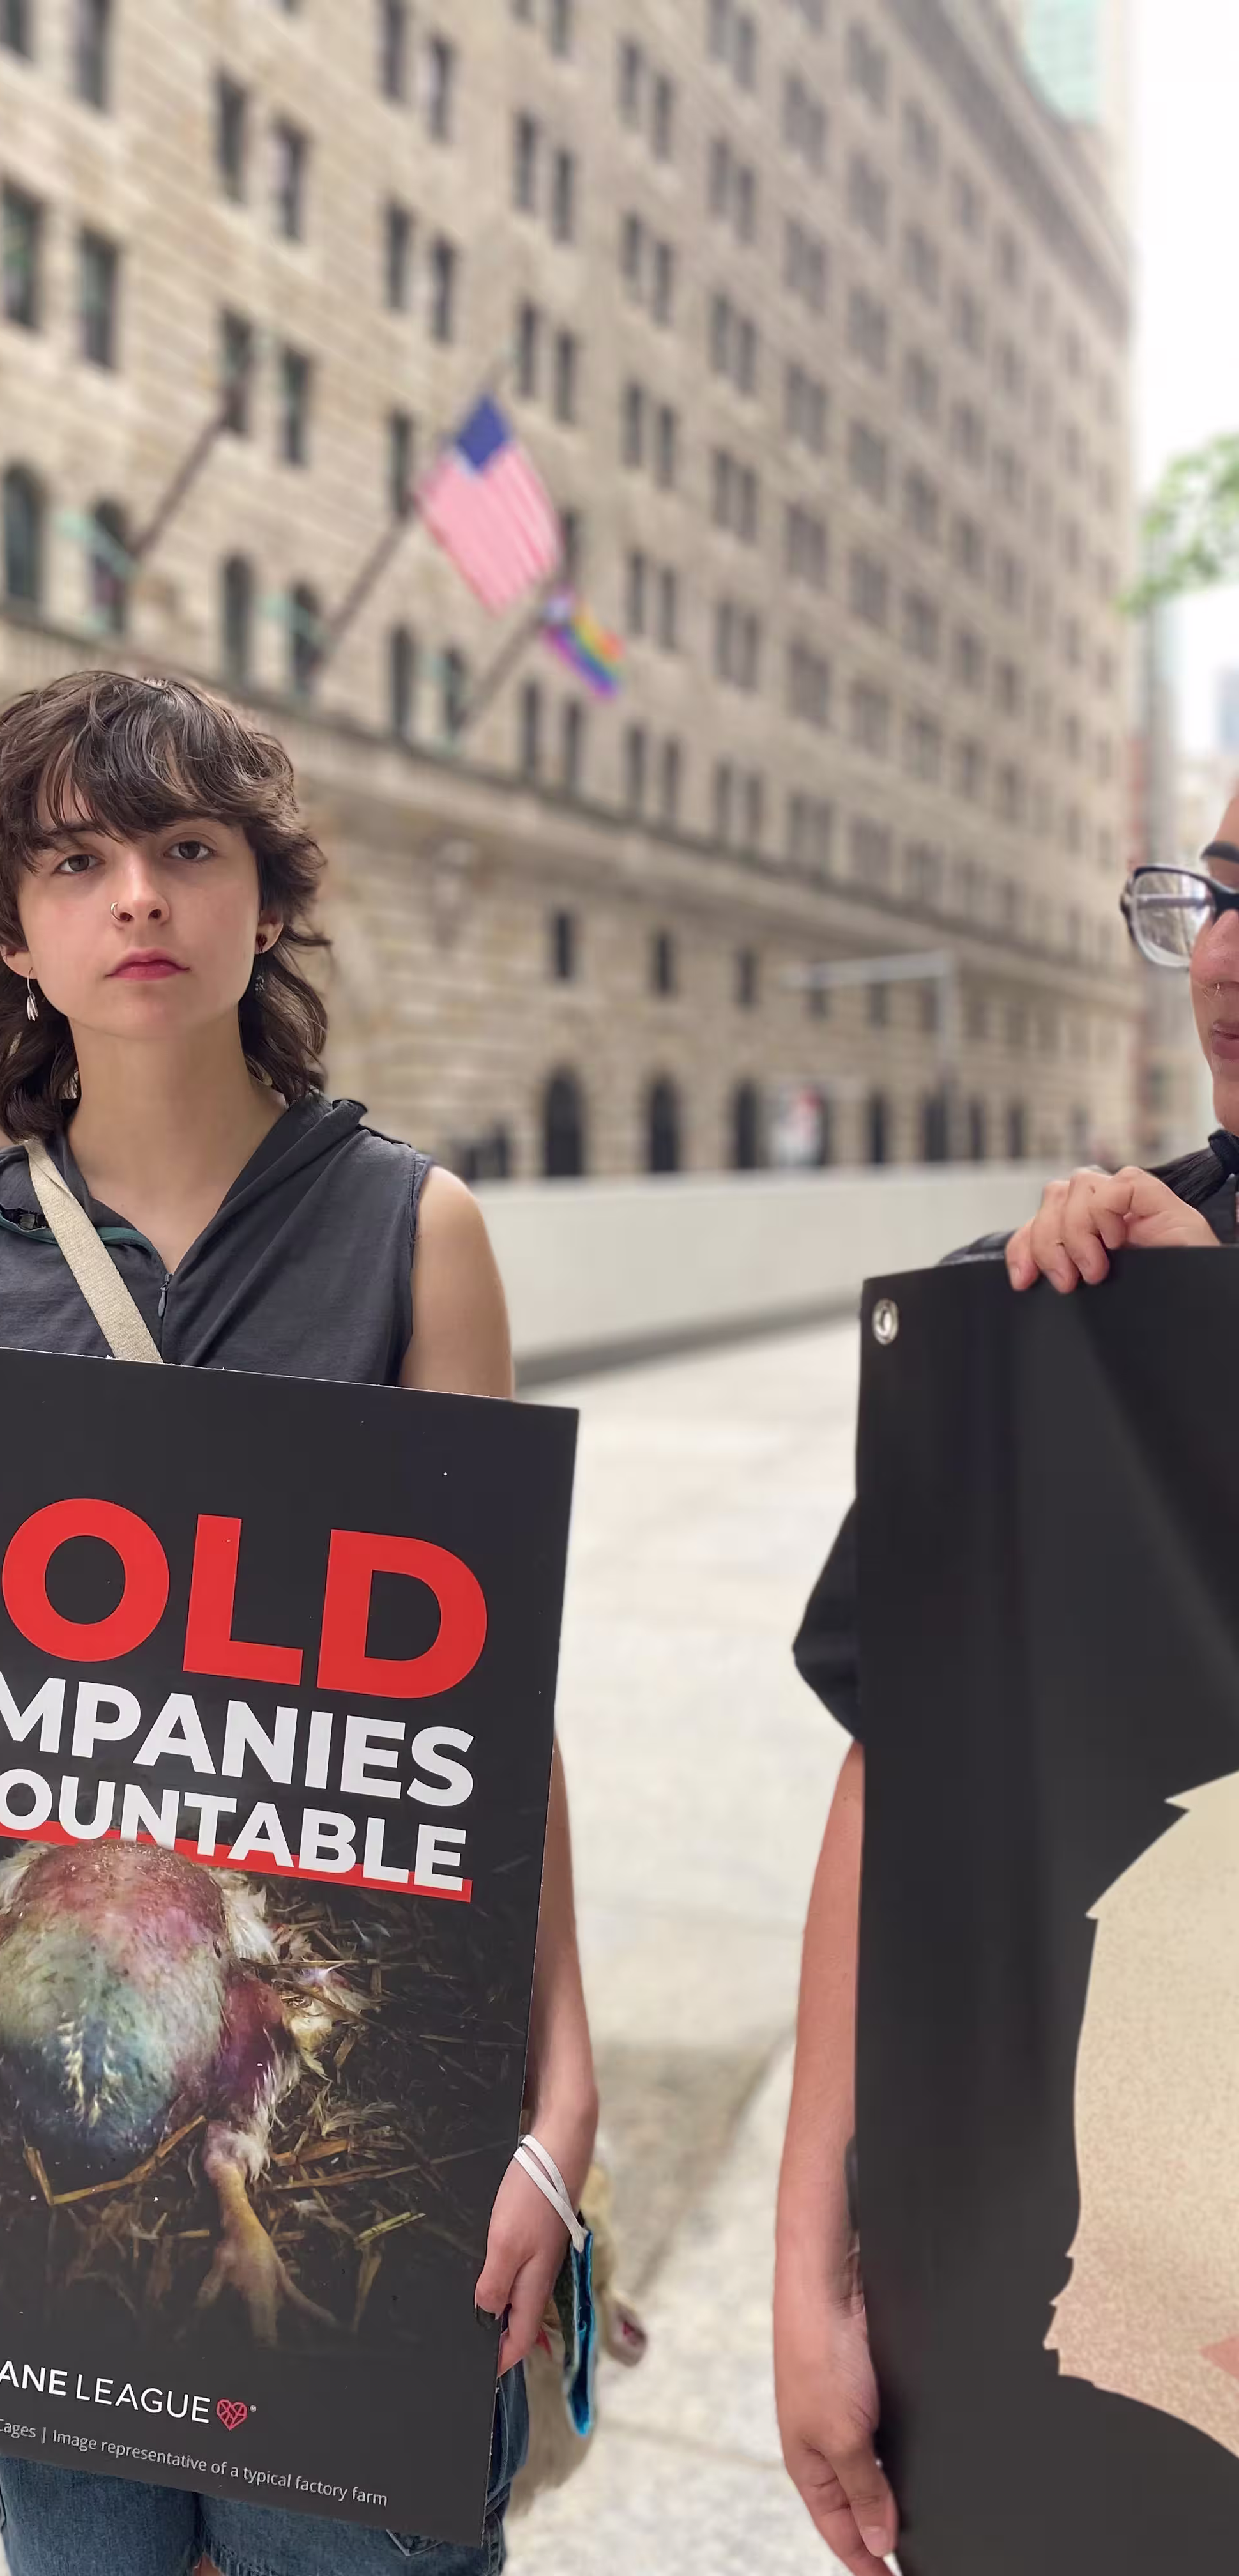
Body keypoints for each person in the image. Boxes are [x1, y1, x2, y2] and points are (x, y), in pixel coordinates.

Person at [0, 668, 600, 2574]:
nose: (139, 899)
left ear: (266, 892)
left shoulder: (416, 1232)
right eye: (77, 860)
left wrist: (563, 2094)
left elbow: (492, 1714)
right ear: (14, 925)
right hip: (38, 2060)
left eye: (186, 848)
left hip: (335, 2061)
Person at [773, 825, 1239, 2573]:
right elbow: (901, 1773)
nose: (1229, 953)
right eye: (1220, 892)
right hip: (1090, 2346)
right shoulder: (1055, 1311)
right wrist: (812, 2260)